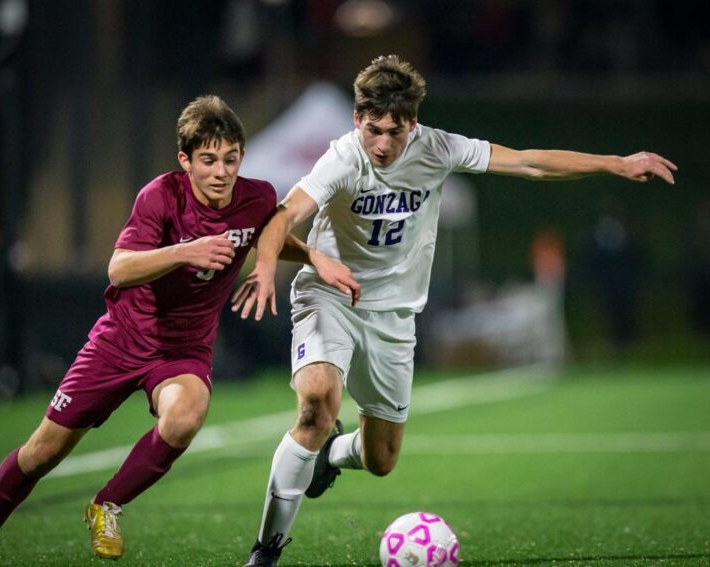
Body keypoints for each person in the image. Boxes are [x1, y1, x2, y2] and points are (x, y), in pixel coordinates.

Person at [230, 54, 677, 567]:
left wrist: (616, 163)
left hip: (394, 317)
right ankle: (265, 552)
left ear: (412, 124)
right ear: (357, 120)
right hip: (330, 296)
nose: (381, 144)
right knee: (315, 406)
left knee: (381, 460)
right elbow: (285, 213)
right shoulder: (342, 158)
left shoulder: (438, 148)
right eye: (372, 129)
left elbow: (529, 161)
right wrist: (266, 267)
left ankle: (330, 454)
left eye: (393, 132)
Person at [0, 95, 352, 567]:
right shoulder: (160, 195)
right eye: (208, 160)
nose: (221, 172)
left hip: (183, 351)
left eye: (231, 159)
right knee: (41, 453)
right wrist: (184, 251)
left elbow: (270, 231)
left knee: (186, 415)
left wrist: (314, 257)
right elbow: (119, 269)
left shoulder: (255, 197)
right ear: (185, 161)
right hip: (120, 341)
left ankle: (106, 505)